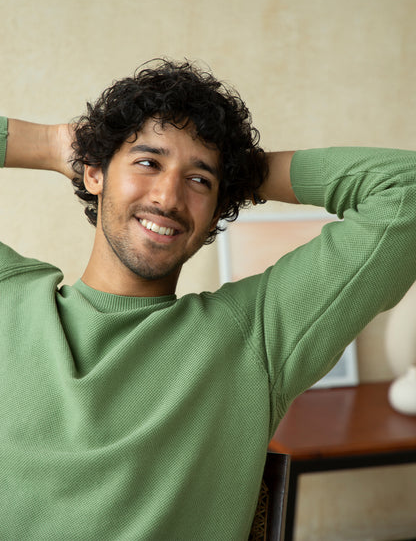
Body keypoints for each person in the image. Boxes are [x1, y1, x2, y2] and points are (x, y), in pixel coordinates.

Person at [1, 59, 416, 540]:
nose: (168, 197)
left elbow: (405, 191)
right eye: (148, 162)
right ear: (94, 172)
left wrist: (241, 173)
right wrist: (55, 144)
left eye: (199, 180)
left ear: (218, 210)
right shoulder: (12, 294)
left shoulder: (252, 337)